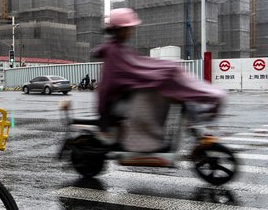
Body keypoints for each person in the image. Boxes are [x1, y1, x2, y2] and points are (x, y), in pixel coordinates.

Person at [92, 8, 225, 151]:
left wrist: (166, 68)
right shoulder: (114, 52)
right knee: (154, 94)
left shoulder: (120, 49)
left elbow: (141, 64)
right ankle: (151, 143)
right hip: (117, 104)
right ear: (117, 30)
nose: (130, 32)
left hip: (122, 99)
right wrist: (163, 71)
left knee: (167, 89)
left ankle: (192, 113)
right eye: (127, 29)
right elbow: (134, 72)